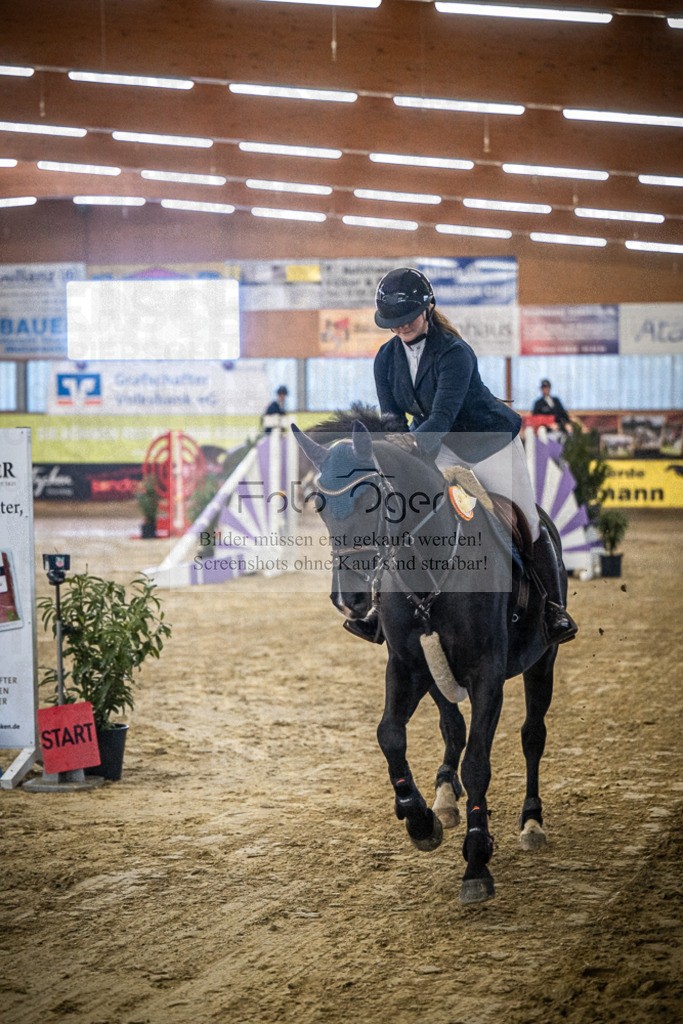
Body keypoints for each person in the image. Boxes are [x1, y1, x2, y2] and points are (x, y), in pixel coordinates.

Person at [344, 267, 577, 647]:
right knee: (404, 511)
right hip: (435, 443)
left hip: (488, 444)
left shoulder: (454, 352)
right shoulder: (385, 358)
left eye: (408, 317)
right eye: (393, 320)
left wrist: (411, 446)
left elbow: (441, 417)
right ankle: (379, 609)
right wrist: (393, 449)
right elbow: (392, 418)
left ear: (428, 307)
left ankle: (553, 609)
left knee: (527, 520)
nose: (401, 325)